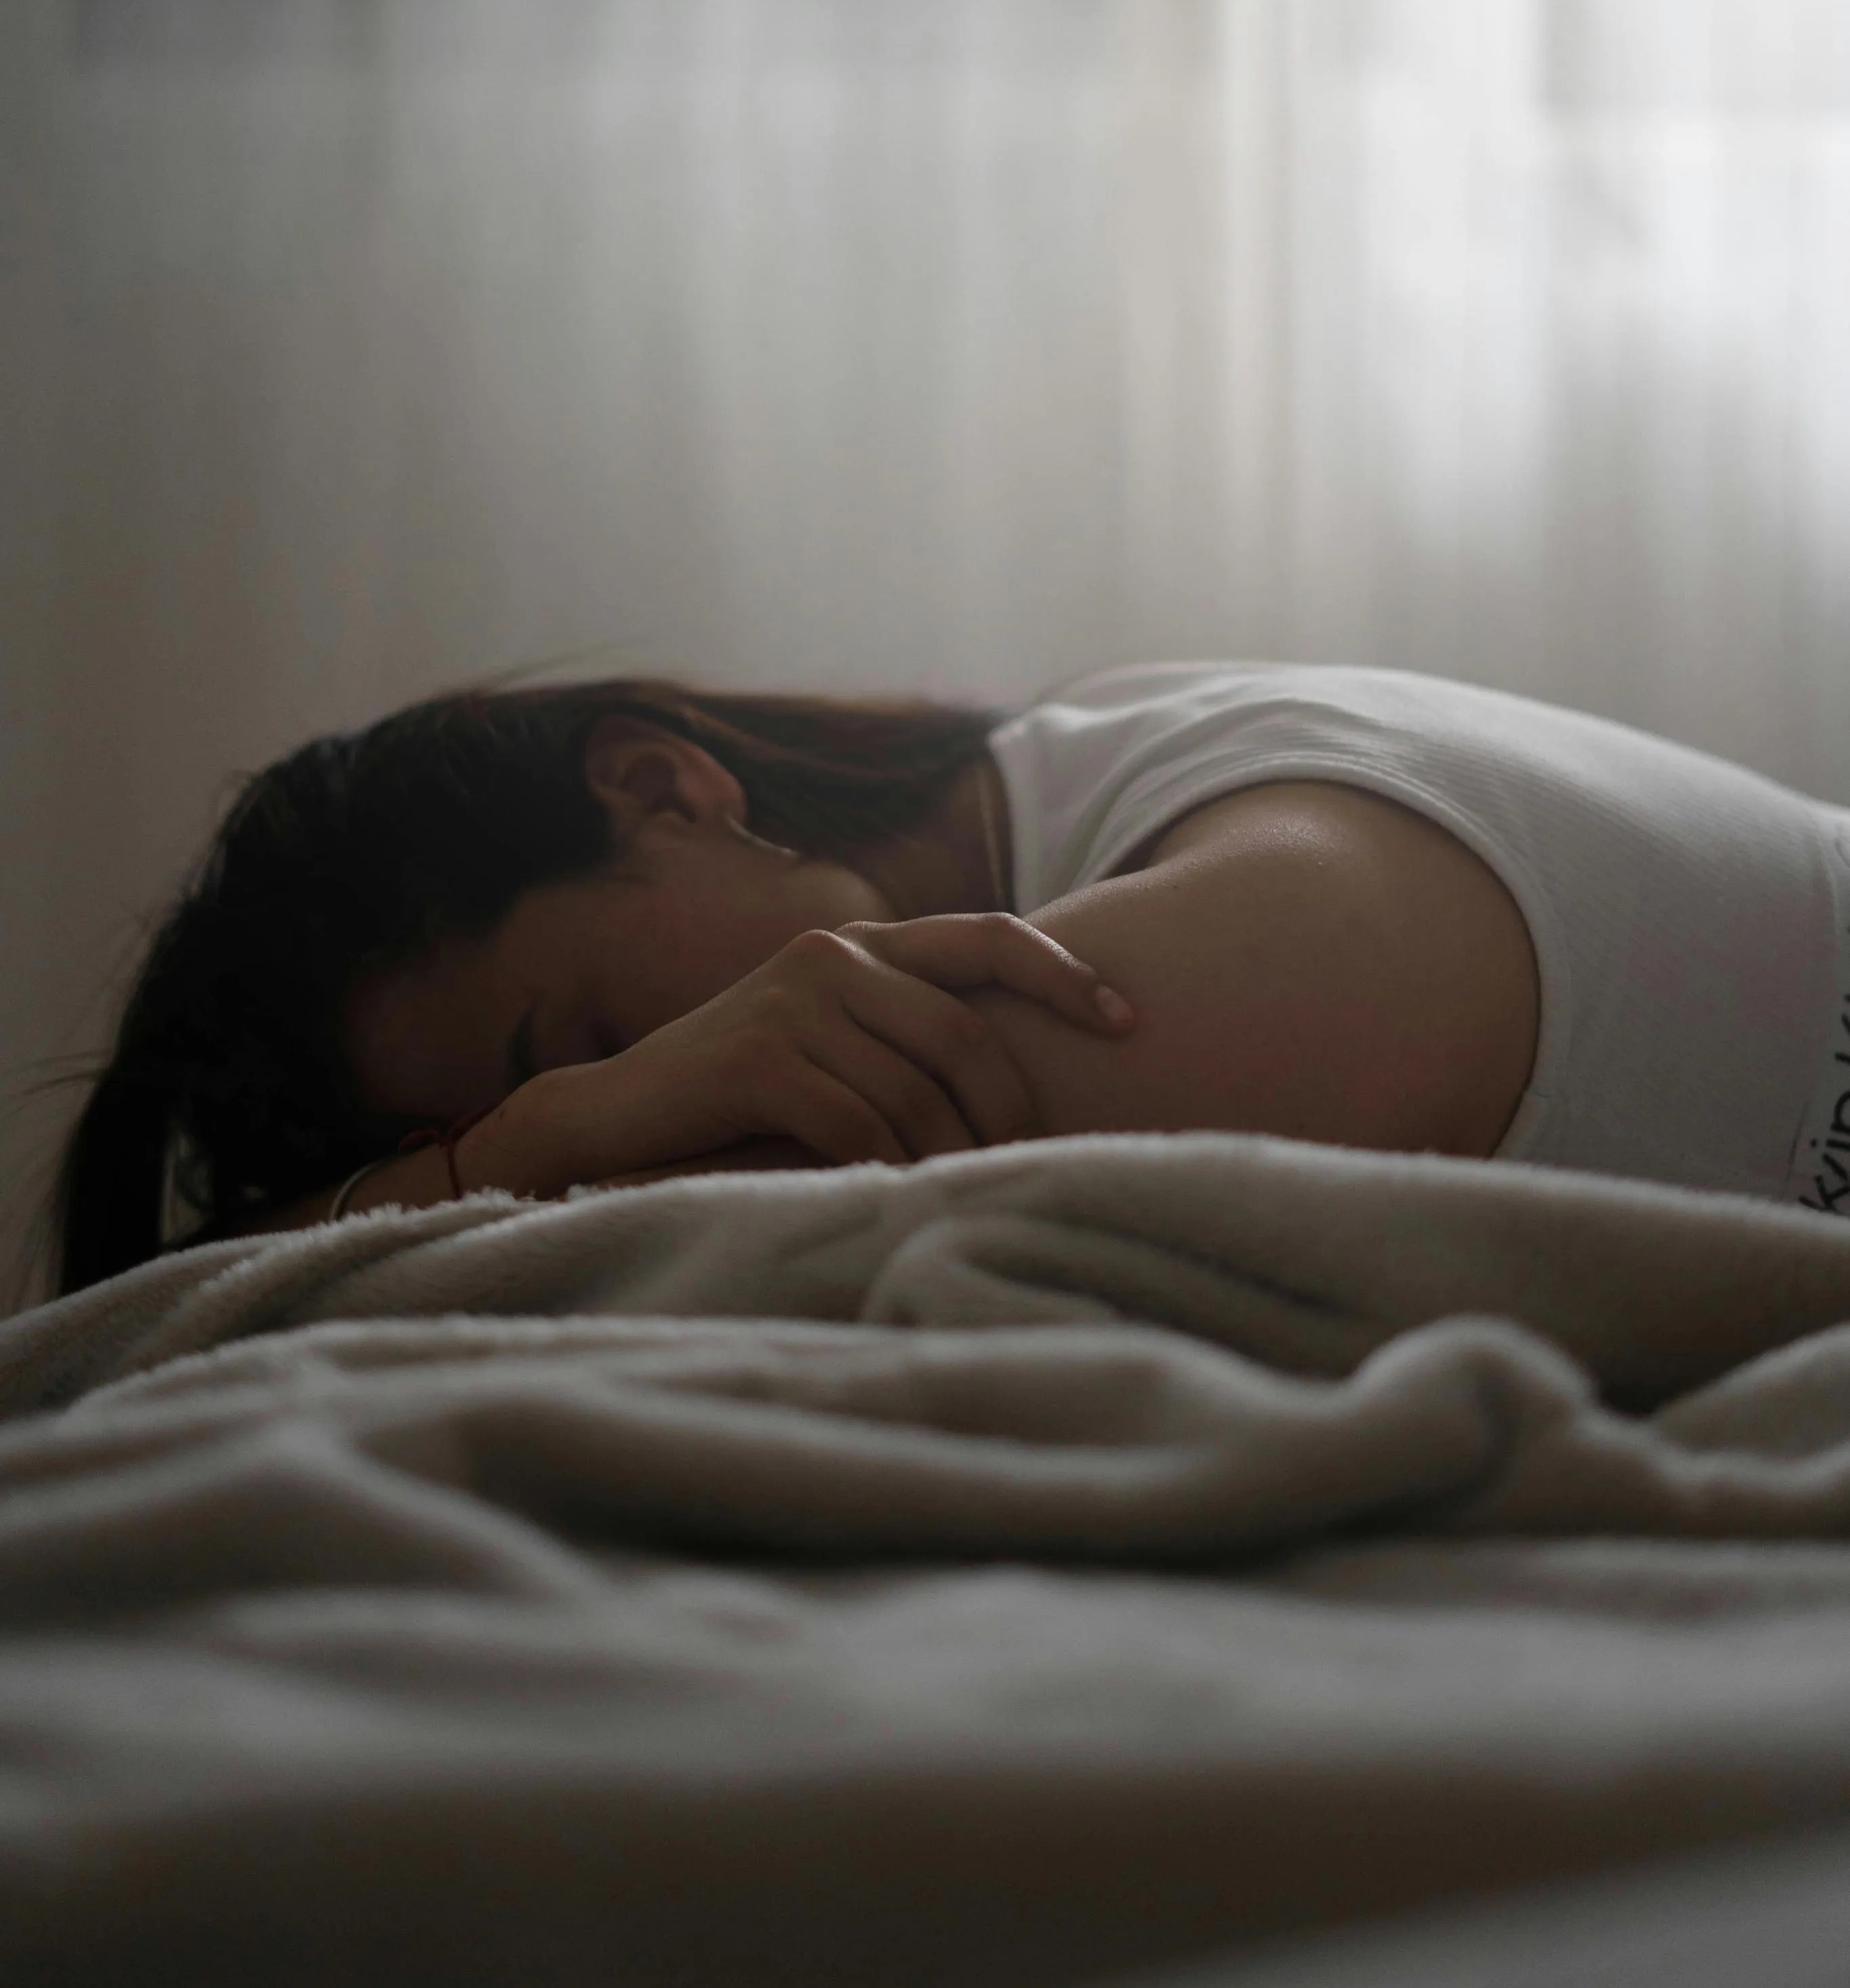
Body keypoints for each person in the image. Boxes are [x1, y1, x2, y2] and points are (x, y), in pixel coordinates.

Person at [57, 659, 1850, 1297]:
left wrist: (522, 1162)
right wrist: (520, 1141)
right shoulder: (1089, 796)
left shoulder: (1258, 847)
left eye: (585, 1045)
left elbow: (191, 1330)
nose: (626, 1112)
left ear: (661, 787)